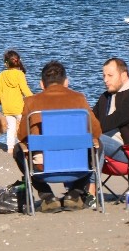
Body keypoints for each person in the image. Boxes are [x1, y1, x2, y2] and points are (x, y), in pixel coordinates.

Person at [14, 60, 102, 213]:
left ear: (42, 84)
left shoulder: (31, 102)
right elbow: (96, 131)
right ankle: (75, 194)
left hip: (43, 168)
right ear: (66, 82)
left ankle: (47, 197)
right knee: (99, 144)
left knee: (18, 150)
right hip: (78, 165)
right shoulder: (79, 99)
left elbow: (22, 136)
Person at [92, 57, 129, 165]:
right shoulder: (105, 97)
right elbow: (92, 118)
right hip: (107, 147)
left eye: (110, 75)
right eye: (104, 76)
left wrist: (88, 130)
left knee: (95, 139)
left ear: (123, 75)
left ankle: (92, 182)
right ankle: (71, 178)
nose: (105, 80)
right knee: (81, 140)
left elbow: (114, 120)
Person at [0, 49, 33, 153]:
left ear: (6, 63)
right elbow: (25, 90)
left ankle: (10, 148)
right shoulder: (20, 74)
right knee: (24, 126)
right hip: (19, 106)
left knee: (10, 128)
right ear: (18, 61)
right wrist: (33, 99)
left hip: (7, 106)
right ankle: (24, 145)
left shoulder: (1, 75)